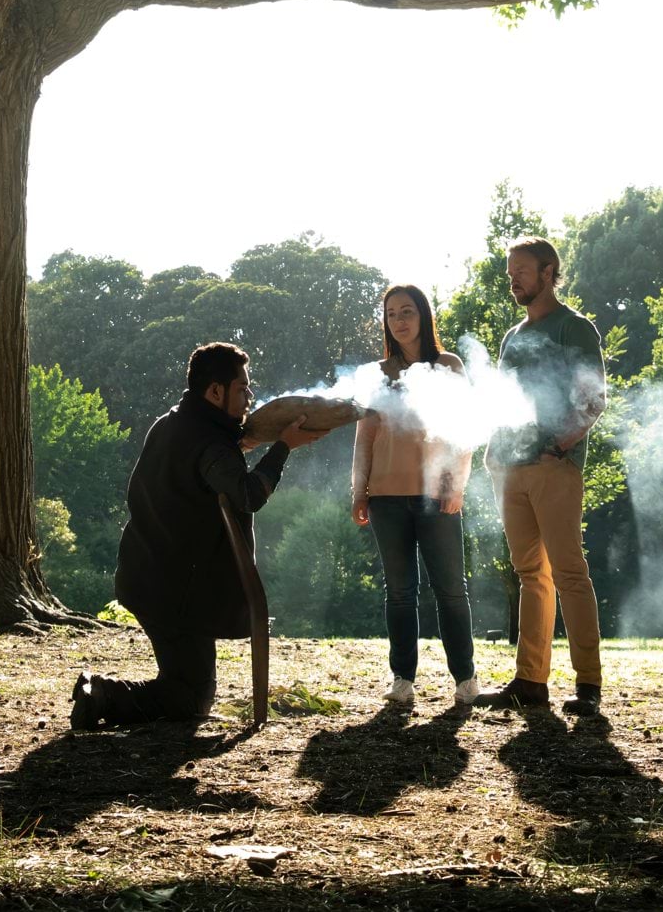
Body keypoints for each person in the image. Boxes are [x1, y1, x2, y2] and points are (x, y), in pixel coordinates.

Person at [70, 341, 319, 728]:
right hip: (173, 593)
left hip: (150, 576)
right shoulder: (208, 442)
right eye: (242, 389)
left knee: (188, 689)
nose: (249, 398)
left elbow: (204, 466)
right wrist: (284, 447)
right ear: (215, 391)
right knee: (190, 700)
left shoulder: (173, 422)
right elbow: (249, 495)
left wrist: (241, 442)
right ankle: (101, 694)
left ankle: (102, 693)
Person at [477, 236, 608, 717]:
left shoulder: (575, 329)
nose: (513, 278)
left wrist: (560, 446)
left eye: (522, 270)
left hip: (554, 467)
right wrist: (493, 453)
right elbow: (502, 399)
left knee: (569, 573)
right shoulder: (512, 336)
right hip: (510, 467)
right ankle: (531, 681)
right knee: (531, 574)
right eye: (510, 270)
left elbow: (593, 399)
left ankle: (588, 685)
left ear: (548, 271)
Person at [351, 283, 478, 709]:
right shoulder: (375, 374)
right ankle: (402, 679)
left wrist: (456, 485)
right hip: (386, 496)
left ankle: (465, 679)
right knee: (400, 592)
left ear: (423, 315)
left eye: (407, 311)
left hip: (436, 496)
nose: (399, 321)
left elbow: (465, 430)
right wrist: (359, 491)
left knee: (450, 590)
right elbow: (364, 437)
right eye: (391, 314)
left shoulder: (448, 365)